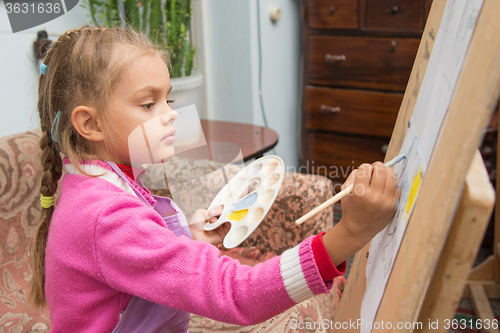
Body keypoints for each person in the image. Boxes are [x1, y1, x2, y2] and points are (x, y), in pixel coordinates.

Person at [28, 26, 401, 332]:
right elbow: (234, 293)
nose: (171, 115)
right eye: (148, 104)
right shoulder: (104, 216)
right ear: (89, 124)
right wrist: (350, 233)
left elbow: (138, 263)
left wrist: (188, 238)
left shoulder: (103, 186)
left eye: (168, 100)